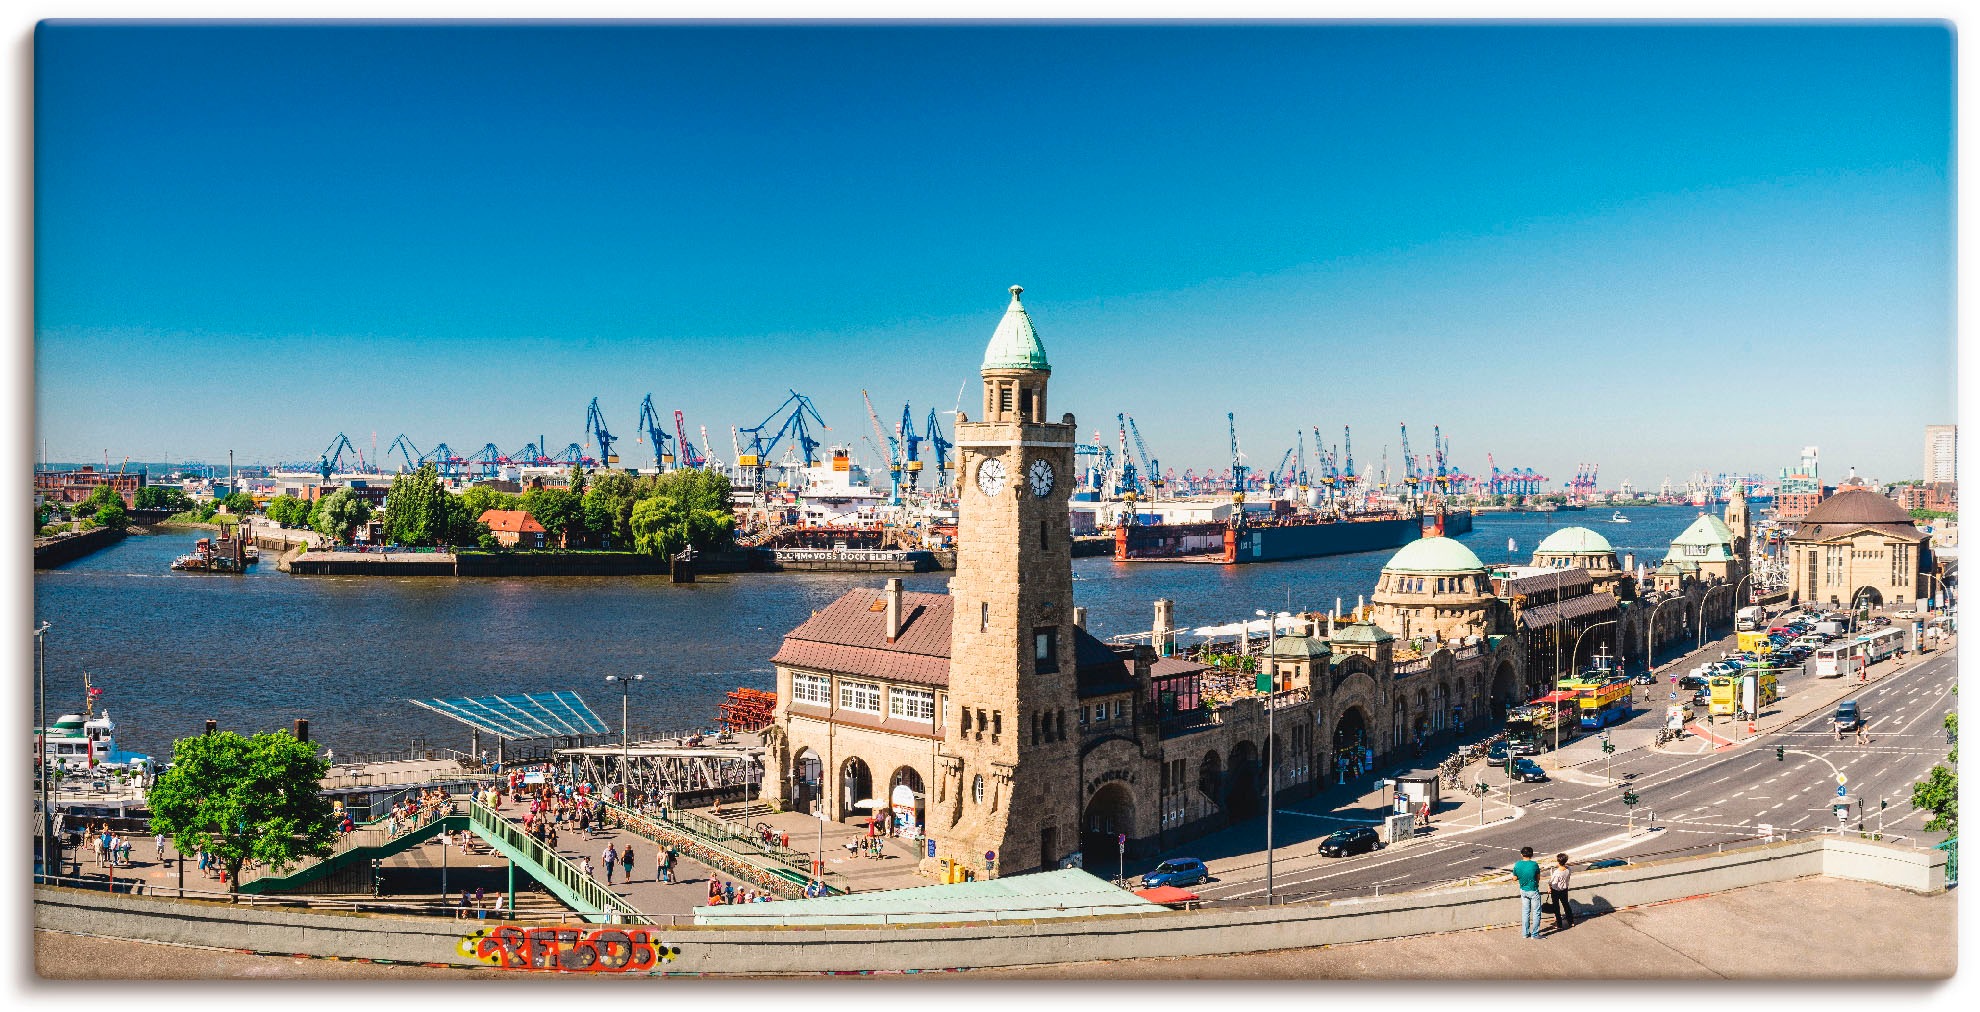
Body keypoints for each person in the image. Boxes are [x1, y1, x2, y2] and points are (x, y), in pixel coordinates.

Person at [1513, 846, 1543, 940]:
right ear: (1532, 854)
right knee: (1536, 912)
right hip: (1533, 890)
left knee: (1526, 912)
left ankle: (1525, 933)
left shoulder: (1517, 864)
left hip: (1523, 890)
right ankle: (1535, 934)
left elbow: (1514, 878)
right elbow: (1538, 878)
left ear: (1522, 854)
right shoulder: (1534, 865)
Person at [1549, 853, 1575, 931]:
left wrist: (1549, 886)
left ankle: (1559, 924)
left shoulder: (1557, 873)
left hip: (1556, 891)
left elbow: (1553, 882)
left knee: (1556, 907)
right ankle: (1571, 922)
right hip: (1564, 889)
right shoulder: (1568, 869)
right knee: (1566, 905)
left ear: (1558, 861)